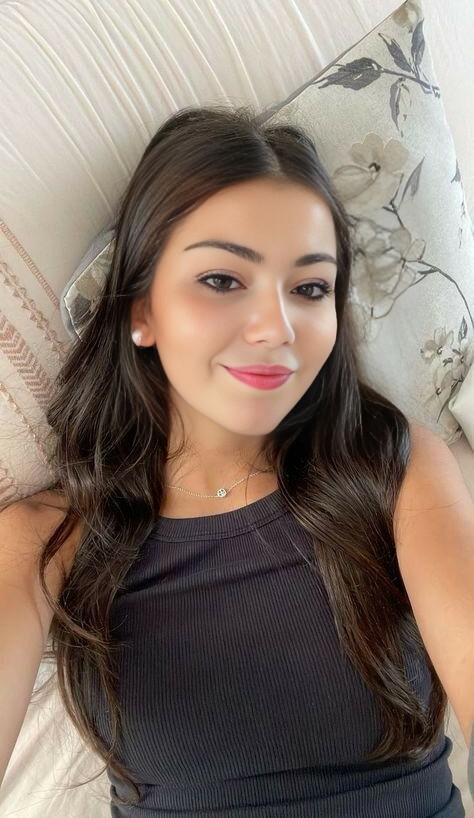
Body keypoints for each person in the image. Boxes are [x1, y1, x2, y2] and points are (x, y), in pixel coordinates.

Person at [5, 104, 469, 816]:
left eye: (310, 289)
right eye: (223, 280)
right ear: (141, 310)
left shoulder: (391, 466)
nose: (276, 328)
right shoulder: (47, 538)